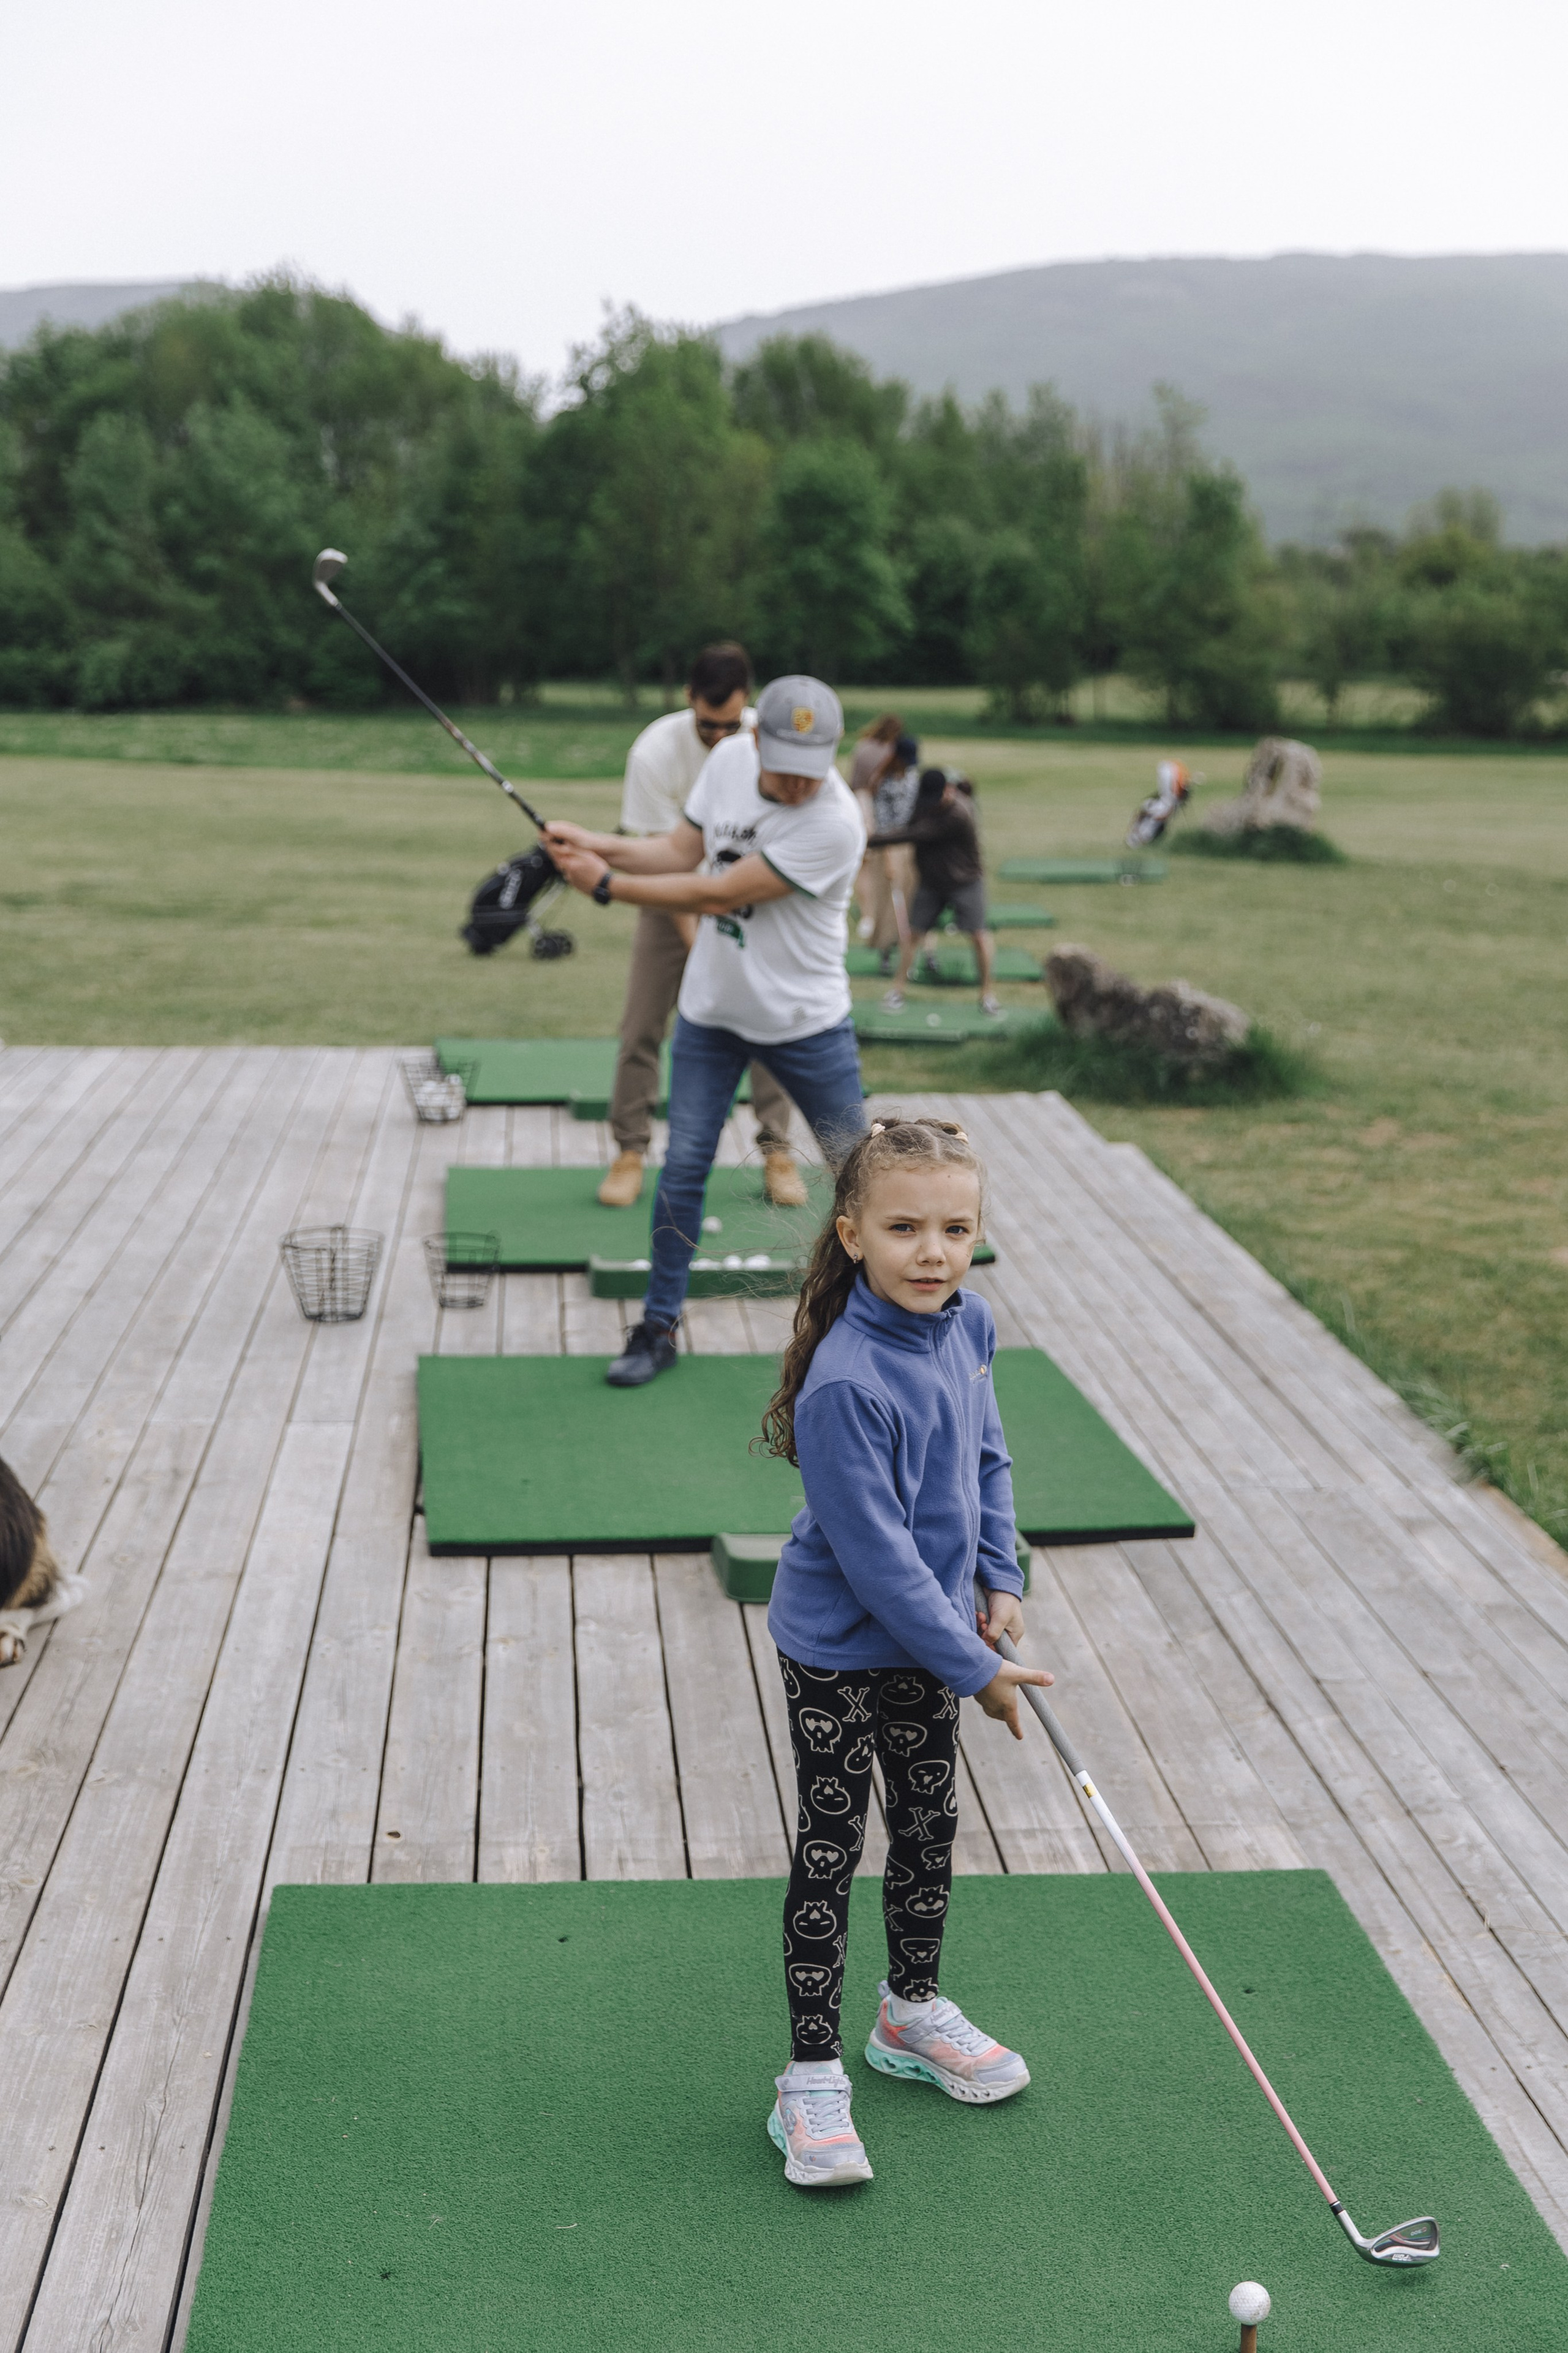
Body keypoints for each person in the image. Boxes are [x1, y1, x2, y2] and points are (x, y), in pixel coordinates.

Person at [755, 1114, 1051, 2188]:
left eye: (956, 1227)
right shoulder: (845, 1384)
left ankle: (909, 2012)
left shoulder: (968, 1330)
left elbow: (986, 1461)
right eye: (905, 1227)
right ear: (851, 1234)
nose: (934, 1251)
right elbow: (878, 1566)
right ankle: (812, 2077)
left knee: (928, 1826)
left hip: (928, 1645)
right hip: (839, 1648)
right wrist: (976, 1670)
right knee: (832, 1844)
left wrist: (1001, 1574)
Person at [544, 675, 869, 1386]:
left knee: (861, 1175)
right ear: (756, 739)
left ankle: (878, 1330)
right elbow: (679, 853)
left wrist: (605, 884)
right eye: (781, 768)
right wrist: (596, 842)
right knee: (684, 1167)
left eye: (809, 772)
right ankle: (659, 1326)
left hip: (806, 1023)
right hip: (712, 1015)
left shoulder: (836, 821)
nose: (793, 785)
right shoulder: (727, 763)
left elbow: (718, 892)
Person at [597, 643, 807, 1210]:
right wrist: (699, 944)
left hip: (750, 900)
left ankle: (778, 1151)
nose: (720, 738)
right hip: (670, 899)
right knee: (641, 1024)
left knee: (768, 1024)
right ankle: (630, 1151)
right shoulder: (654, 753)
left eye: (730, 725)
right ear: (688, 700)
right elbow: (664, 859)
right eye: (708, 726)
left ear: (749, 706)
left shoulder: (769, 740)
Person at [871, 766, 1002, 1016]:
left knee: (979, 935)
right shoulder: (923, 804)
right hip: (932, 882)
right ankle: (897, 991)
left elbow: (914, 834)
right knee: (913, 935)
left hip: (965, 881)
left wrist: (869, 841)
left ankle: (987, 995)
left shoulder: (960, 813)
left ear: (948, 790)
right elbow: (909, 825)